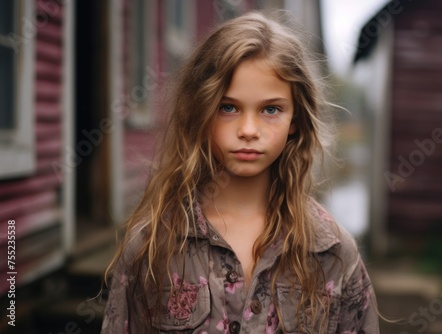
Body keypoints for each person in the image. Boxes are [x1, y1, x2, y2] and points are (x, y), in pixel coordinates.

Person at [102, 11, 379, 334]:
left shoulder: (332, 252)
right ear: (201, 111)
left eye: (271, 109)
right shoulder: (152, 247)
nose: (248, 130)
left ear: (296, 121)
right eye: (228, 107)